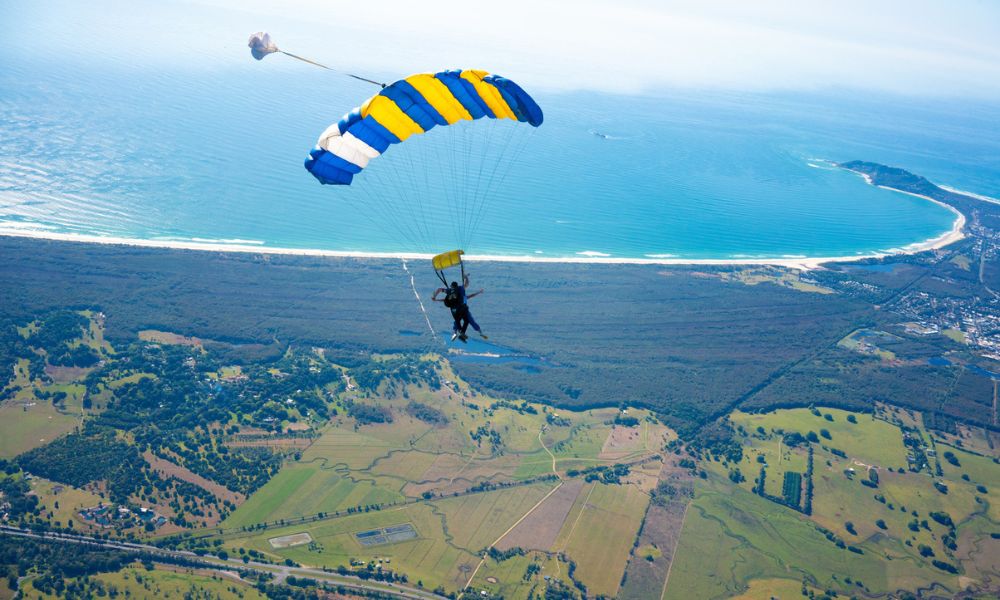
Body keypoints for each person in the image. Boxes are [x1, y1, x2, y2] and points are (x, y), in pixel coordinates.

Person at [432, 274, 486, 342]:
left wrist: (435, 298)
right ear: (457, 286)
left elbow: (441, 294)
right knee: (469, 320)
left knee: (457, 321)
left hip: (454, 311)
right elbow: (468, 287)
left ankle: (456, 333)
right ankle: (478, 332)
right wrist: (466, 277)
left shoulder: (449, 291)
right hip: (463, 309)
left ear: (451, 286)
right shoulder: (460, 289)